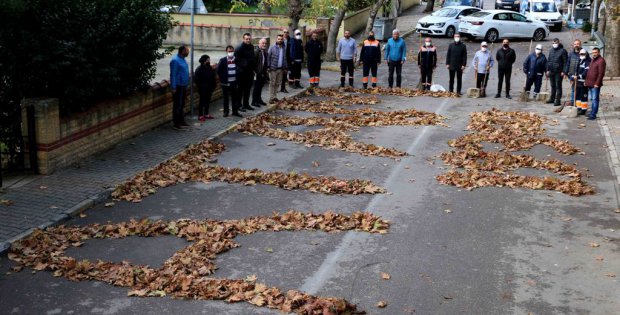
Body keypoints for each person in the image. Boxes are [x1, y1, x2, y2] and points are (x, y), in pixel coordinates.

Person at [217, 45, 242, 117]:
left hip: (234, 82)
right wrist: (223, 79)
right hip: (225, 83)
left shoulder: (236, 60)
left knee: (235, 98)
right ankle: (226, 111)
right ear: (226, 52)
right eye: (229, 51)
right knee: (226, 98)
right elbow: (219, 71)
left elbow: (240, 69)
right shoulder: (223, 60)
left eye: (232, 51)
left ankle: (235, 111)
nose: (230, 53)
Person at [234, 33, 257, 112]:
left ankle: (246, 104)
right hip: (241, 73)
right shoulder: (239, 48)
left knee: (247, 89)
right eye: (246, 39)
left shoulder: (251, 47)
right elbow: (236, 60)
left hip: (250, 72)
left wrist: (253, 69)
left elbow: (253, 57)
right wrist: (245, 64)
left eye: (249, 39)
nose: (248, 40)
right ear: (243, 39)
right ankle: (238, 106)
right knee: (240, 90)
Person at [170, 46, 190, 129]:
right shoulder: (175, 60)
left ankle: (182, 121)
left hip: (184, 85)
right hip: (178, 86)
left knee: (182, 104)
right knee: (177, 105)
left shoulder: (183, 59)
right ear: (182, 51)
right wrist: (173, 87)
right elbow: (173, 74)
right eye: (187, 51)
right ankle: (176, 123)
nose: (188, 52)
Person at [584, 47, 606, 120]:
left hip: (595, 84)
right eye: (593, 52)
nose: (594, 54)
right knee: (592, 99)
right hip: (590, 83)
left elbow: (601, 74)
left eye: (595, 52)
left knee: (595, 99)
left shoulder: (601, 61)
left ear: (599, 52)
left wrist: (597, 83)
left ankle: (593, 115)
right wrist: (586, 82)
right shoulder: (593, 59)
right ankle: (592, 112)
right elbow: (589, 71)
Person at [546, 38, 568, 106]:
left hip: (559, 71)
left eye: (555, 43)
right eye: (553, 43)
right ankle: (552, 98)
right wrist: (547, 69)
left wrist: (564, 71)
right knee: (552, 85)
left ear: (558, 43)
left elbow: (565, 62)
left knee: (558, 85)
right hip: (551, 71)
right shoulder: (551, 50)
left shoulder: (563, 51)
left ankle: (557, 100)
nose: (554, 44)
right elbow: (549, 60)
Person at [194, 55, 216, 121]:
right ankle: (200, 115)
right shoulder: (199, 69)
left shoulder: (209, 68)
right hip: (203, 88)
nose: (209, 61)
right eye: (207, 60)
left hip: (209, 87)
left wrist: (213, 85)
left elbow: (213, 77)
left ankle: (206, 114)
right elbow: (197, 80)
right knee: (202, 101)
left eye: (209, 60)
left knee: (208, 101)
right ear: (204, 60)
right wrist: (201, 87)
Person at [267, 34, 288, 103]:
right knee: (272, 83)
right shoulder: (272, 47)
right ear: (276, 39)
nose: (280, 40)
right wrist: (268, 67)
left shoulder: (284, 48)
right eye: (278, 39)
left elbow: (284, 58)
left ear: (283, 40)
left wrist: (285, 67)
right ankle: (271, 98)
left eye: (281, 39)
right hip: (273, 69)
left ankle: (275, 96)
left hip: (281, 69)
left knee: (277, 83)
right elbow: (268, 57)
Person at [571, 49, 590, 115]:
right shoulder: (580, 61)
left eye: (583, 54)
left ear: (586, 54)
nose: (581, 55)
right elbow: (576, 70)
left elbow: (586, 72)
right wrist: (573, 76)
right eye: (580, 54)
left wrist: (578, 76)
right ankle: (578, 108)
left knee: (583, 96)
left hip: (583, 82)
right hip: (578, 82)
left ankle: (583, 110)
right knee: (577, 95)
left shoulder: (587, 62)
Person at [564, 39, 584, 106]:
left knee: (579, 90)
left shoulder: (583, 53)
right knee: (573, 89)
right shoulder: (571, 53)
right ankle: (572, 102)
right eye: (575, 44)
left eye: (578, 44)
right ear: (573, 45)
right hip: (572, 74)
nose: (576, 45)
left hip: (580, 75)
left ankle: (578, 103)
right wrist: (566, 73)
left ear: (580, 44)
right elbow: (568, 63)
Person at [252, 37, 268, 108]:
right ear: (259, 43)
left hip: (263, 73)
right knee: (256, 87)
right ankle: (254, 101)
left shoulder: (264, 51)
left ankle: (259, 99)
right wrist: (255, 72)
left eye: (265, 43)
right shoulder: (256, 51)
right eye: (263, 43)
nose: (264, 44)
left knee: (260, 87)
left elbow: (264, 62)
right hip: (257, 73)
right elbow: (253, 63)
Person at [281, 28, 291, 93]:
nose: (285, 33)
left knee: (285, 75)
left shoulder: (290, 40)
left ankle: (283, 88)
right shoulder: (280, 40)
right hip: (279, 60)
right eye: (284, 32)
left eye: (287, 32)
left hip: (287, 60)